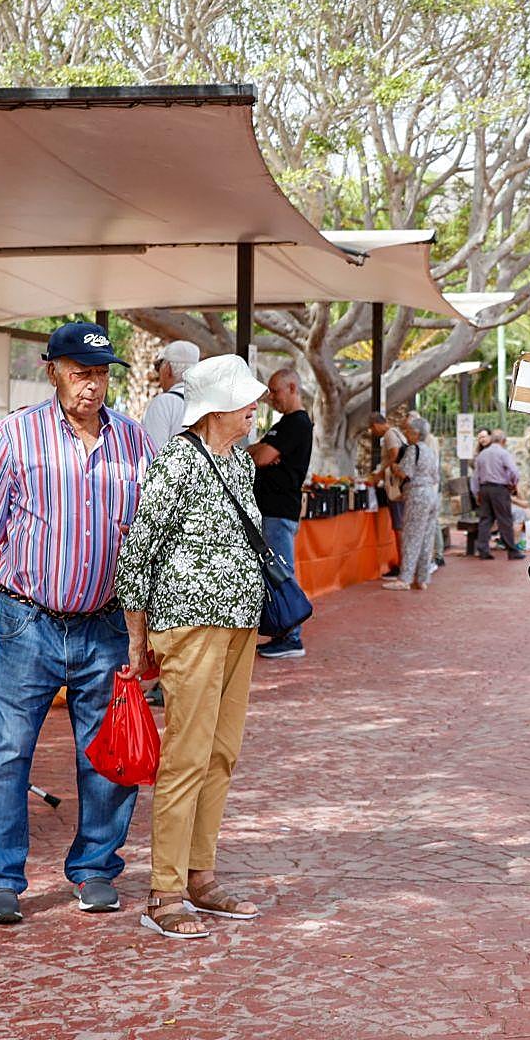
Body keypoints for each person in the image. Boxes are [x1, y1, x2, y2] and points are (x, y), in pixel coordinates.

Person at [0, 322, 153, 925]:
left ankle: (95, 868)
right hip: (26, 621)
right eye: (80, 373)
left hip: (105, 626)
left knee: (106, 755)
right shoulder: (18, 435)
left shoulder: (134, 441)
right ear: (53, 372)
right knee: (8, 749)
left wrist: (146, 627)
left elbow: (150, 534)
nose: (91, 386)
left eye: (100, 375)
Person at [116, 354, 271, 939]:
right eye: (243, 400)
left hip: (239, 624)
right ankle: (165, 891)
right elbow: (138, 551)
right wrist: (137, 637)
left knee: (222, 752)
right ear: (214, 408)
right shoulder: (178, 460)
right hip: (191, 625)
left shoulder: (239, 462)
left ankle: (201, 876)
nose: (253, 407)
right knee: (186, 756)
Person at [250, 367, 313, 661]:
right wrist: (261, 450)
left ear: (292, 388)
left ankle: (292, 637)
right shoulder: (284, 424)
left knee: (281, 572)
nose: (272, 398)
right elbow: (258, 452)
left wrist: (263, 452)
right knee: (274, 571)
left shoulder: (297, 423)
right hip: (271, 510)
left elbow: (262, 456)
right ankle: (283, 633)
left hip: (279, 510)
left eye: (275, 391)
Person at [382, 416, 442, 591]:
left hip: (417, 495)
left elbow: (404, 473)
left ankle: (405, 578)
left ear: (416, 433)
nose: (406, 434)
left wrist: (394, 468)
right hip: (431, 494)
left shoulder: (413, 450)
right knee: (426, 538)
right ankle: (422, 578)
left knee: (411, 537)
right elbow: (436, 476)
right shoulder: (430, 451)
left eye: (408, 431)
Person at [140, 340, 203, 456]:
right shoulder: (207, 403)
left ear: (168, 369)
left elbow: (153, 455)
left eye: (158, 366)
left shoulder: (163, 404)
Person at [365, 411, 406, 575]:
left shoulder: (389, 435)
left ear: (376, 425)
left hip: (395, 487)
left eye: (372, 429)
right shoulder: (397, 433)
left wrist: (379, 475)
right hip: (400, 485)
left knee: (399, 526)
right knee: (401, 525)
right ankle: (405, 564)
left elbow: (394, 456)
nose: (372, 432)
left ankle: (403, 565)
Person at [472, 428, 523, 560]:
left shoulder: (482, 455)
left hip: (484, 489)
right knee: (505, 519)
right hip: (499, 490)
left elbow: (475, 477)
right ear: (503, 440)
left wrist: (476, 493)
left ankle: (483, 550)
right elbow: (514, 472)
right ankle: (512, 551)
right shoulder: (503, 453)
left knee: (485, 520)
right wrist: (513, 484)